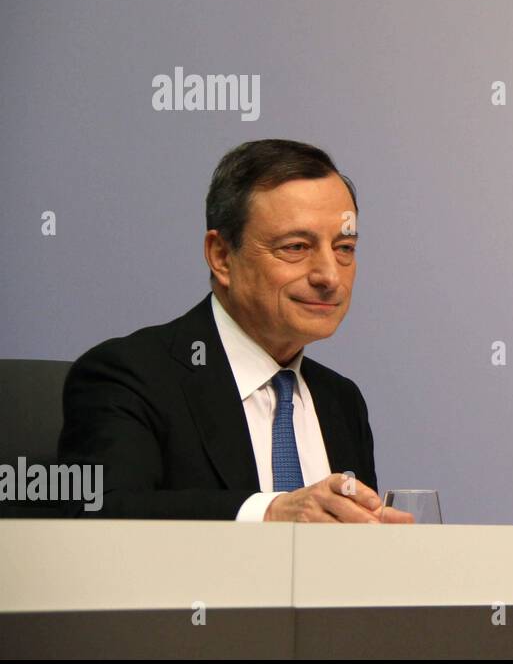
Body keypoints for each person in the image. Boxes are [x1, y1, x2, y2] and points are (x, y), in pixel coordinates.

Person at [58, 139, 413, 522]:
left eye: (344, 247)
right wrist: (271, 513)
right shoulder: (129, 376)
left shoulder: (341, 401)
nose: (329, 276)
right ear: (222, 257)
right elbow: (98, 511)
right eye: (296, 247)